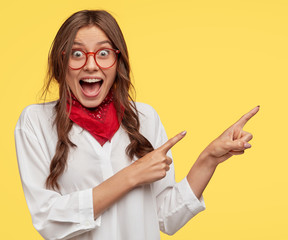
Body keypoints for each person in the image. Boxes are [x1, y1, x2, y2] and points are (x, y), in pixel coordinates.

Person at [15, 10, 259, 240]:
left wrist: (209, 158)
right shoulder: (35, 122)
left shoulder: (145, 118)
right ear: (61, 62)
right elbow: (48, 219)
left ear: (117, 60)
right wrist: (132, 175)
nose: (91, 65)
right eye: (77, 54)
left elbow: (165, 216)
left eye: (103, 53)